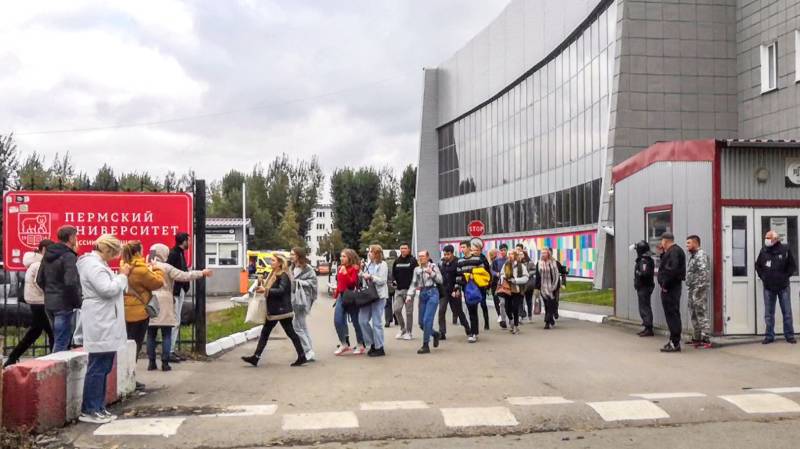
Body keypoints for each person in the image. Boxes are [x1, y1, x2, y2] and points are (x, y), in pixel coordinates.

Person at [76, 235, 130, 424]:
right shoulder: (93, 265)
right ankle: (90, 409)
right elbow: (106, 289)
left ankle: (98, 406)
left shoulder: (97, 264)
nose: (114, 257)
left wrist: (120, 277)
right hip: (100, 320)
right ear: (106, 250)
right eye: (114, 253)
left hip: (105, 320)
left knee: (104, 365)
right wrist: (122, 275)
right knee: (98, 366)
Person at [147, 244, 212, 371]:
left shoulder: (147, 267)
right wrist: (202, 273)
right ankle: (165, 362)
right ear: (163, 253)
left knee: (151, 334)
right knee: (166, 333)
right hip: (165, 301)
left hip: (150, 300)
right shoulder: (166, 268)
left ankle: (151, 362)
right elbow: (184, 275)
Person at [242, 253, 307, 367]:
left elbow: (281, 290)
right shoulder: (273, 273)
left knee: (287, 333)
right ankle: (256, 357)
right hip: (275, 309)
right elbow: (270, 288)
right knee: (268, 332)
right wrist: (262, 284)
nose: (271, 262)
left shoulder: (283, 275)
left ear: (280, 263)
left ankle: (301, 356)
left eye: (273, 261)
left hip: (281, 310)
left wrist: (266, 290)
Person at [4, 240, 54, 367]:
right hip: (40, 301)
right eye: (50, 250)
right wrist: (52, 291)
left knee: (36, 331)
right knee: (51, 331)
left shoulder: (36, 263)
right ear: (43, 250)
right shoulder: (38, 264)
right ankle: (54, 360)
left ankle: (12, 357)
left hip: (36, 301)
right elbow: (40, 282)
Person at [37, 225, 82, 352]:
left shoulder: (48, 254)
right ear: (71, 238)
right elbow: (71, 282)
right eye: (76, 236)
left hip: (49, 303)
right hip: (64, 304)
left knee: (58, 339)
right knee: (62, 341)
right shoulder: (68, 256)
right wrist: (77, 302)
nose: (76, 239)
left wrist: (50, 293)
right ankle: (55, 370)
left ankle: (54, 367)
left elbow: (39, 279)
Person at [122, 241, 165, 362]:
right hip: (139, 311)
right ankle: (131, 376)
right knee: (136, 345)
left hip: (126, 310)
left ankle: (126, 374)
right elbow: (158, 282)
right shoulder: (141, 270)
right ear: (137, 252)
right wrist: (155, 267)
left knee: (127, 343)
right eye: (141, 250)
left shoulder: (124, 265)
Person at [756, 230, 797, 344]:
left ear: (775, 239)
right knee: (769, 314)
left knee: (787, 312)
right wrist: (763, 276)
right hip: (768, 286)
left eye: (768, 238)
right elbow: (758, 265)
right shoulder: (763, 250)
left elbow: (792, 266)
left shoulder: (785, 250)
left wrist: (785, 276)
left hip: (783, 286)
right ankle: (769, 336)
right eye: (766, 237)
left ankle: (789, 335)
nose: (766, 240)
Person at [406, 251, 443, 354]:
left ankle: (425, 345)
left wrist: (431, 273)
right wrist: (409, 295)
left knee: (427, 320)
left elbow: (440, 280)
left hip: (433, 293)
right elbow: (414, 283)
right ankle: (435, 334)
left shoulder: (433, 266)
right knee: (421, 323)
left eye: (423, 256)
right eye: (419, 256)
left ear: (428, 257)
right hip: (422, 294)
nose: (421, 258)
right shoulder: (417, 269)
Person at [455, 239, 491, 342]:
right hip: (466, 288)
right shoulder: (460, 261)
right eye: (461, 247)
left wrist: (473, 274)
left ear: (469, 248)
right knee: (470, 308)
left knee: (473, 309)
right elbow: (458, 276)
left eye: (464, 247)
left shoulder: (477, 259)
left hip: (475, 287)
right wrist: (457, 288)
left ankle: (473, 333)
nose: (462, 249)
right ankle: (473, 332)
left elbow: (483, 272)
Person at [333, 249, 367, 355]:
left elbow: (352, 284)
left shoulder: (354, 269)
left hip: (351, 297)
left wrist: (345, 273)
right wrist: (336, 293)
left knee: (356, 321)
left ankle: (360, 344)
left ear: (350, 258)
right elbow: (340, 283)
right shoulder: (340, 267)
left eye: (344, 256)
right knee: (337, 320)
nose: (341, 258)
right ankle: (344, 344)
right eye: (341, 256)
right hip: (341, 296)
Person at [657, 232, 686, 353]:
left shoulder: (674, 251)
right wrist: (662, 254)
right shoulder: (672, 251)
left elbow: (672, 270)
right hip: (671, 287)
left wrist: (665, 285)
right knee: (672, 314)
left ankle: (675, 343)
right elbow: (667, 266)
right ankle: (673, 341)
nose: (661, 244)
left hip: (670, 288)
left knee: (672, 314)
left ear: (665, 241)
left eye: (662, 241)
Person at [360, 245, 388, 357]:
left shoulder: (383, 265)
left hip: (379, 296)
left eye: (371, 251)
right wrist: (361, 273)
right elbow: (363, 280)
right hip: (367, 296)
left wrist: (370, 277)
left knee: (377, 322)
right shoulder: (368, 264)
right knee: (362, 320)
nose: (369, 253)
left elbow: (382, 281)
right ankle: (372, 343)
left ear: (376, 253)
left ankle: (379, 347)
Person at [291, 247, 318, 361]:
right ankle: (309, 350)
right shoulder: (292, 267)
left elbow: (313, 283)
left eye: (292, 254)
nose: (290, 256)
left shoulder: (307, 269)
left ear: (298, 256)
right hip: (295, 299)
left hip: (303, 300)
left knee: (296, 326)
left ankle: (308, 350)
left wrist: (299, 282)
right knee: (302, 326)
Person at [166, 232, 190, 363]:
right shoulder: (174, 254)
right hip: (175, 292)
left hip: (179, 290)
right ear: (183, 241)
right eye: (188, 241)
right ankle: (169, 351)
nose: (190, 243)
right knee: (174, 321)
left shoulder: (179, 253)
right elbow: (174, 274)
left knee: (177, 320)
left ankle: (171, 350)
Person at [438, 244, 469, 340]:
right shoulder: (442, 263)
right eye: (445, 254)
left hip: (454, 290)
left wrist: (457, 289)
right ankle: (442, 332)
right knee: (441, 311)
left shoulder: (458, 262)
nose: (446, 256)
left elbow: (460, 277)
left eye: (448, 254)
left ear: (452, 253)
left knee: (458, 311)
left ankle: (467, 328)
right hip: (444, 291)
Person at [685, 235, 712, 347]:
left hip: (698, 290)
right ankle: (697, 337)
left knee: (700, 312)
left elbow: (704, 273)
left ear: (696, 243)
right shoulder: (693, 256)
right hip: (692, 289)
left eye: (689, 243)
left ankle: (706, 338)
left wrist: (698, 290)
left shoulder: (701, 255)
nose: (687, 246)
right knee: (693, 313)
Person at [391, 244, 418, 340]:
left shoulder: (413, 261)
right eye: (401, 248)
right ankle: (402, 329)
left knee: (409, 312)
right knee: (396, 310)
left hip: (409, 291)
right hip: (398, 291)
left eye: (405, 248)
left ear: (409, 250)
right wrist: (393, 281)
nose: (403, 250)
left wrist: (414, 288)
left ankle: (409, 332)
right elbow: (393, 274)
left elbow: (416, 274)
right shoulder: (397, 261)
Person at [500, 250, 529, 334]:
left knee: (515, 308)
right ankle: (511, 320)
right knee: (507, 308)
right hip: (507, 289)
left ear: (515, 256)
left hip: (517, 290)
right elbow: (502, 274)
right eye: (509, 254)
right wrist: (504, 277)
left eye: (512, 254)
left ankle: (516, 326)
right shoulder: (506, 264)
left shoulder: (521, 266)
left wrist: (515, 280)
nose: (510, 255)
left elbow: (526, 277)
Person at [632, 240, 656, 337]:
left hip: (644, 287)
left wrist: (638, 273)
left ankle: (648, 328)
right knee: (644, 306)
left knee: (644, 307)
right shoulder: (645, 259)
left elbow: (644, 273)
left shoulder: (644, 260)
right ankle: (647, 327)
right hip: (644, 286)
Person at [535, 248, 562, 329]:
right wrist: (536, 288)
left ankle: (547, 320)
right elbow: (538, 276)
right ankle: (550, 320)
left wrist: (558, 285)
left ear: (549, 254)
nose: (543, 255)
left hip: (553, 287)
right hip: (543, 287)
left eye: (545, 253)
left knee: (551, 303)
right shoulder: (539, 263)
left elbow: (560, 272)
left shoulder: (555, 263)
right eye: (542, 253)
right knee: (546, 304)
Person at [490, 244, 509, 329]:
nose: (503, 252)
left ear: (507, 250)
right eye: (501, 250)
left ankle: (508, 318)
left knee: (506, 303)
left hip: (507, 284)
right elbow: (491, 270)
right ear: (499, 251)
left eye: (504, 250)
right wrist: (496, 274)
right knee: (498, 302)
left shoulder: (509, 260)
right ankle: (501, 319)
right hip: (496, 284)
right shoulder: (496, 261)